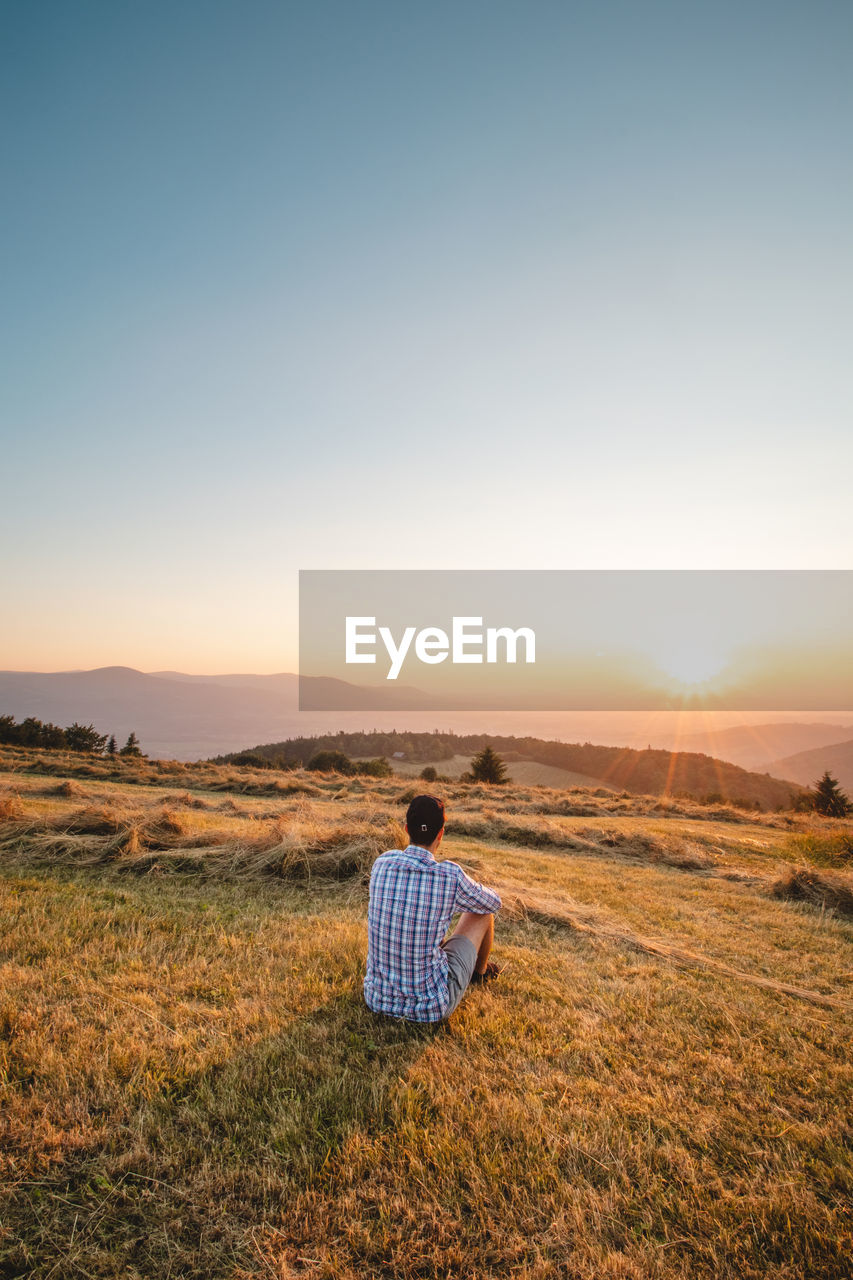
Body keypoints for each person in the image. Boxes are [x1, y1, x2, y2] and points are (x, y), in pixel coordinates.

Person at [364, 793, 502, 1023]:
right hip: (429, 1006)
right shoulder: (449, 875)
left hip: (376, 999)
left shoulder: (382, 863)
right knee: (482, 913)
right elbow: (493, 903)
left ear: (407, 829)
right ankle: (480, 974)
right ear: (441, 833)